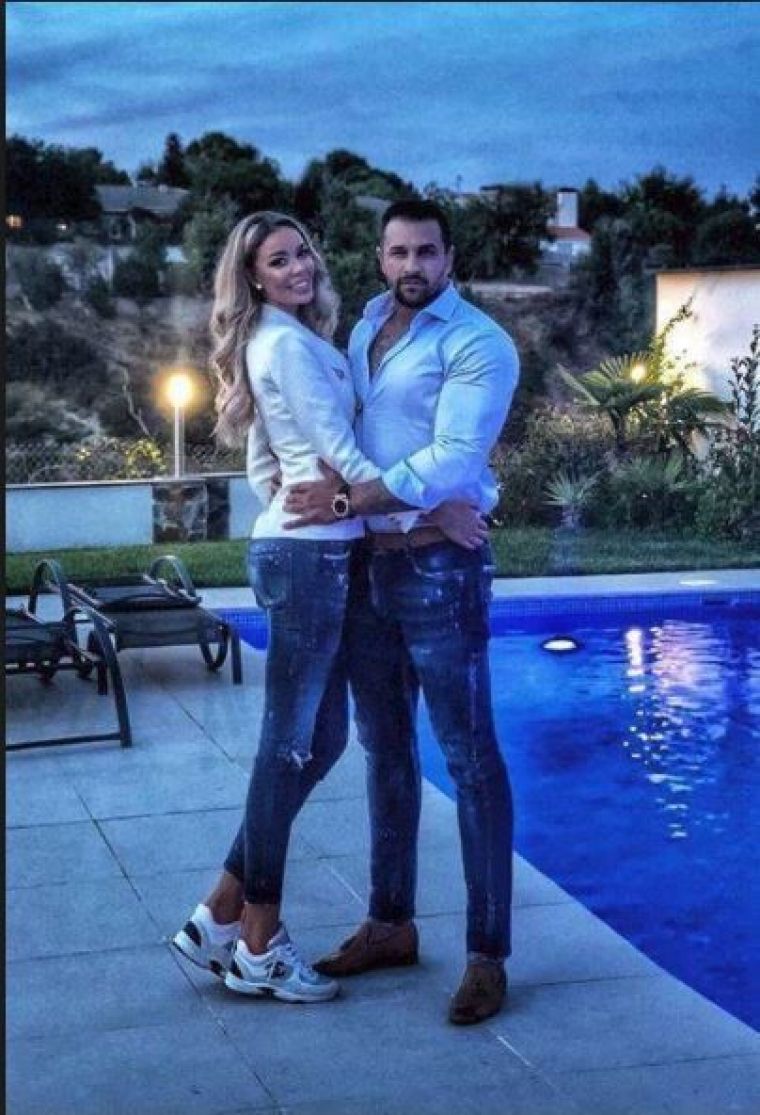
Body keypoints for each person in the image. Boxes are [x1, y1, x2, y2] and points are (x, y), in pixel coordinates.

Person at [171, 210, 483, 1004]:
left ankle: (219, 909)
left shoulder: (294, 338)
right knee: (287, 745)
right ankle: (258, 944)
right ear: (253, 278)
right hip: (308, 558)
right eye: (278, 260)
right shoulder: (284, 343)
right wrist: (431, 508)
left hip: (314, 550)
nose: (298, 267)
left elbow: (261, 455)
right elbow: (342, 454)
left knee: (325, 738)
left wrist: (282, 496)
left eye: (302, 251)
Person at [282, 198, 520, 1025]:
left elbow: (452, 457)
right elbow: (359, 438)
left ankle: (487, 955)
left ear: (449, 257)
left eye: (426, 251)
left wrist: (367, 500)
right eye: (398, 251)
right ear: (380, 256)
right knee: (385, 750)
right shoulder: (363, 330)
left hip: (441, 571)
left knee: (470, 758)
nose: (411, 265)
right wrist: (406, 504)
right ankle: (391, 923)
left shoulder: (478, 343)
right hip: (369, 568)